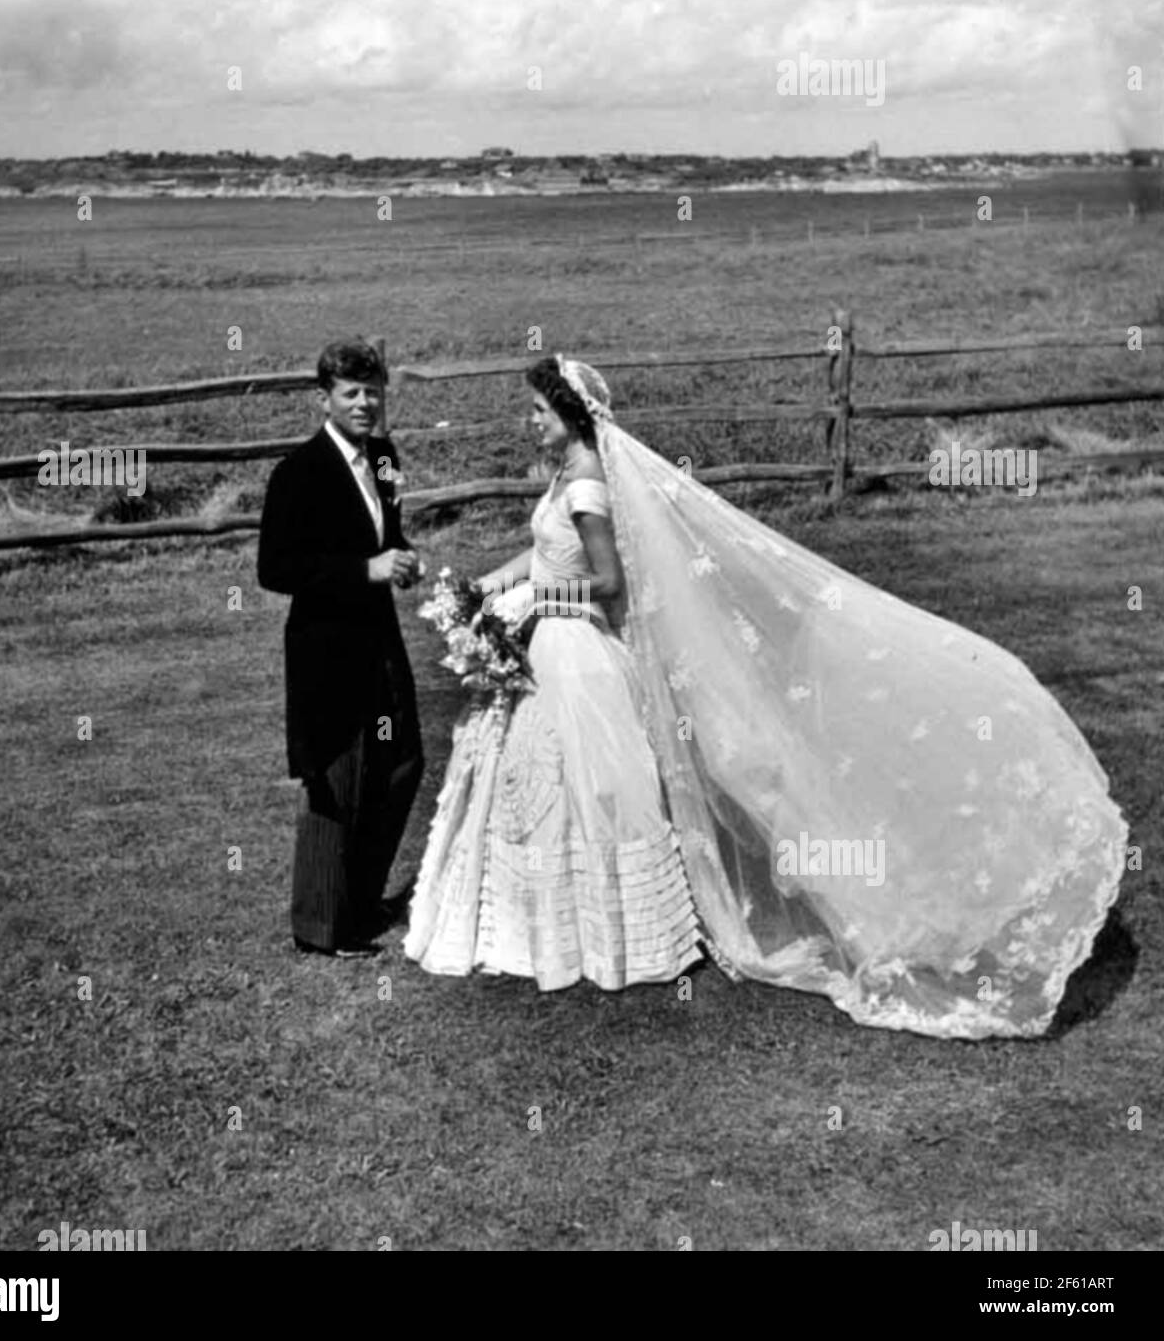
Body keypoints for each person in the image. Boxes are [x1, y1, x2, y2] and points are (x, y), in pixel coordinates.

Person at [405, 355, 1129, 1038]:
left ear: (570, 414)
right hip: (552, 640)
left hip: (576, 644)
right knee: (547, 780)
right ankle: (552, 926)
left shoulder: (589, 480)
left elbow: (608, 583)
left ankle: (616, 930)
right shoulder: (564, 474)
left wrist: (535, 600)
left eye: (539, 411)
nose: (530, 422)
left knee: (593, 784)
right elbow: (543, 549)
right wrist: (488, 587)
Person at [258, 338, 424, 956]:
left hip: (380, 638)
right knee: (338, 774)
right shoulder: (298, 472)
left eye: (373, 391)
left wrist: (402, 559)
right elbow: (274, 570)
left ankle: (360, 897)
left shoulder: (384, 456)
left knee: (402, 760)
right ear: (323, 398)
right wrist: (363, 570)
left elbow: (389, 530)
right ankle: (322, 925)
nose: (365, 404)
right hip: (327, 651)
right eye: (351, 393)